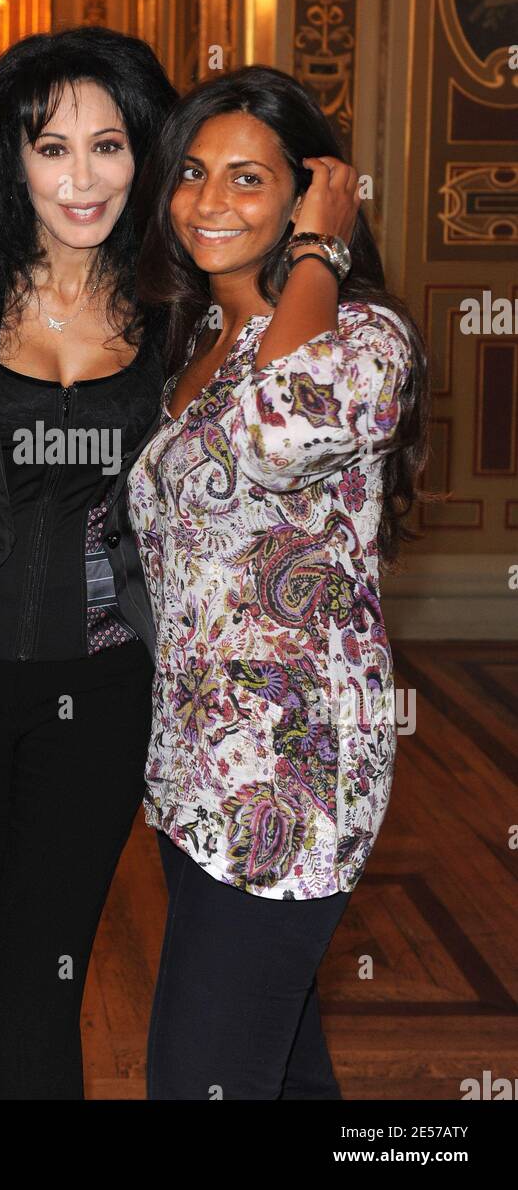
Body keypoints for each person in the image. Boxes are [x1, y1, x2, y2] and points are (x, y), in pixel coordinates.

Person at [128, 64, 429, 1100]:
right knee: (282, 1073)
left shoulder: (365, 335)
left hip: (288, 783)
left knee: (197, 1080)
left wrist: (318, 252)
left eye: (247, 179)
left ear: (306, 192)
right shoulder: (195, 349)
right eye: (193, 173)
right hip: (191, 774)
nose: (209, 202)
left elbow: (280, 427)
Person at [0, 26, 177, 1099]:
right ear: (11, 157)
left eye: (109, 146)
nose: (82, 179)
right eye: (51, 148)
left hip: (103, 683)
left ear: (146, 153)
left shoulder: (179, 314)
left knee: (39, 968)